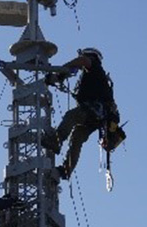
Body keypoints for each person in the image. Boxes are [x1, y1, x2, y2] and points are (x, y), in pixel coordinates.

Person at [42, 47, 119, 180]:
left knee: (71, 116)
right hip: (97, 119)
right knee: (77, 138)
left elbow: (82, 61)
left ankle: (56, 140)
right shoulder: (96, 77)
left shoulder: (93, 66)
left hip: (93, 111)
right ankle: (66, 170)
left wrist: (59, 73)